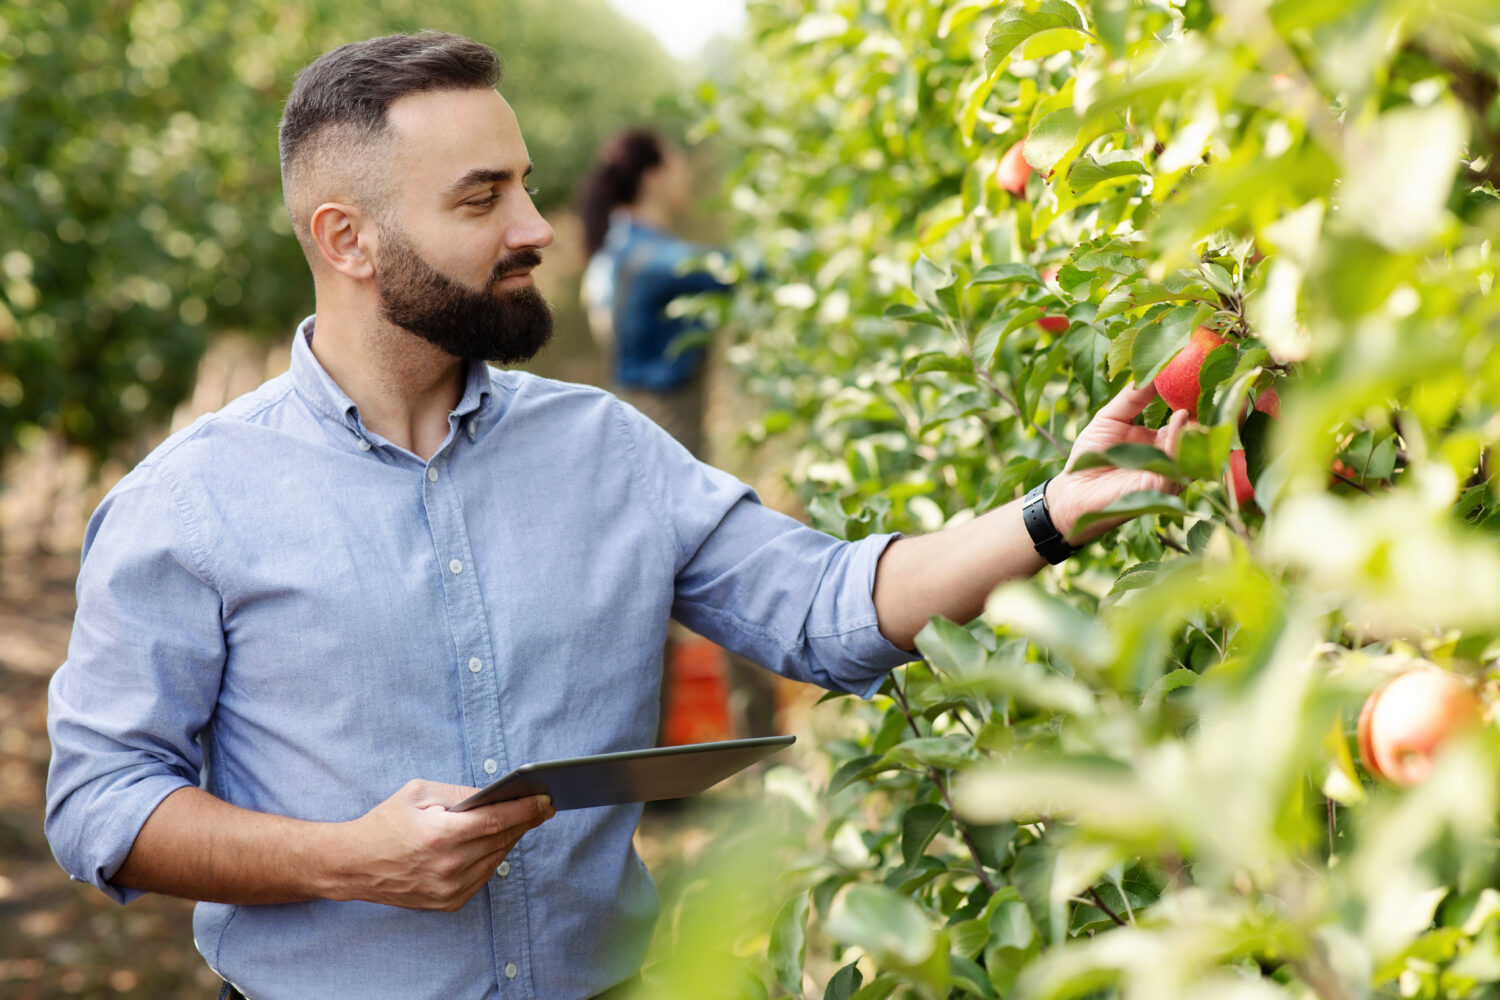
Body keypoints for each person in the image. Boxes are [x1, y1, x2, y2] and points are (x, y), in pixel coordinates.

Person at [44, 31, 1187, 1000]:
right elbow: (103, 801)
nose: (539, 227)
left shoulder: (606, 451)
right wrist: (347, 861)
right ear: (347, 240)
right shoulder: (190, 503)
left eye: (526, 183)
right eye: (483, 198)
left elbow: (829, 608)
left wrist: (1054, 511)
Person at [578, 128, 776, 742]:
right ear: (656, 175)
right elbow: (739, 271)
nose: (688, 176)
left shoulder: (618, 251)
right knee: (732, 572)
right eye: (681, 164)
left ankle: (653, 764)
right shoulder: (648, 257)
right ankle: (760, 741)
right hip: (665, 428)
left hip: (645, 424)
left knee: (651, 596)